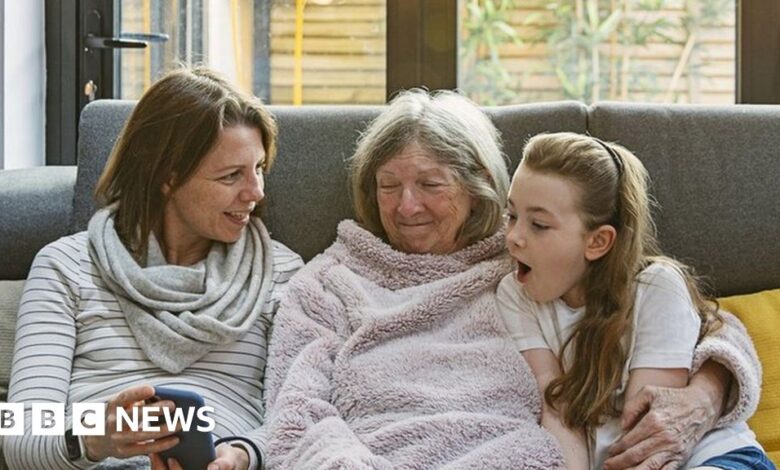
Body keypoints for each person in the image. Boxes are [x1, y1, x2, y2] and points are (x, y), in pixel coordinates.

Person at [260, 90, 761, 469]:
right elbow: (295, 408)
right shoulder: (329, 281)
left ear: (479, 188)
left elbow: (702, 321)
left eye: (431, 185)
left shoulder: (533, 252)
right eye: (388, 186)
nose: (406, 206)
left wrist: (705, 394)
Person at [5, 67, 302, 470]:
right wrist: (94, 437)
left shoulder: (280, 272)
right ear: (167, 176)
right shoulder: (66, 266)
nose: (256, 193)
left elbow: (300, 417)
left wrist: (245, 455)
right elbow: (21, 432)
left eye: (259, 169)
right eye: (232, 175)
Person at [497, 132, 772, 470]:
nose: (513, 237)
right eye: (511, 216)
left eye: (538, 224)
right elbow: (557, 407)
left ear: (597, 242)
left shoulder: (657, 288)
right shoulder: (516, 295)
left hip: (709, 458)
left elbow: (649, 428)